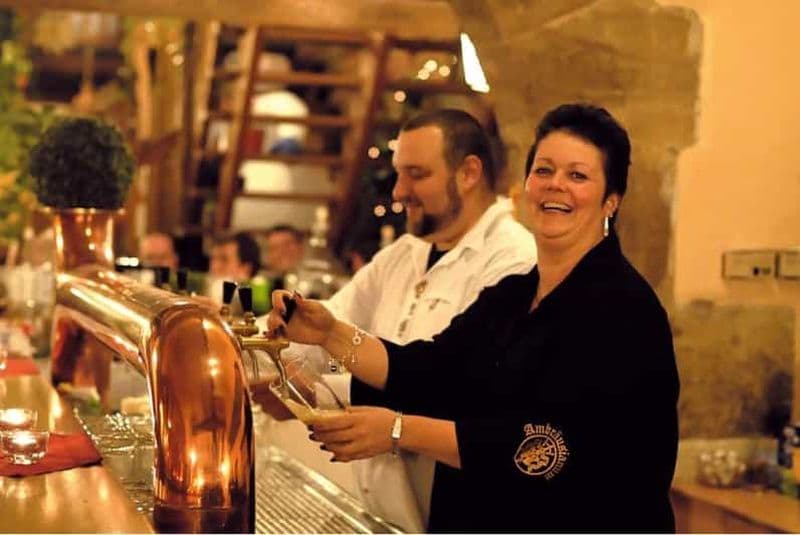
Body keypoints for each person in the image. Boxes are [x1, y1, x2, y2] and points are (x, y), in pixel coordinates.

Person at [268, 103, 680, 532]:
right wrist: (330, 333)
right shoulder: (514, 295)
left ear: (611, 200)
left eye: (577, 176)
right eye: (544, 170)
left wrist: (396, 430)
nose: (555, 185)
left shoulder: (625, 311)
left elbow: (544, 446)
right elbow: (428, 369)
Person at [258, 109, 538, 532]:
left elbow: (454, 388)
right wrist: (258, 355)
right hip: (383, 517)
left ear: (469, 172)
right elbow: (315, 338)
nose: (399, 191)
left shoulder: (513, 260)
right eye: (398, 174)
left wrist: (334, 383)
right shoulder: (402, 255)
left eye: (416, 174)